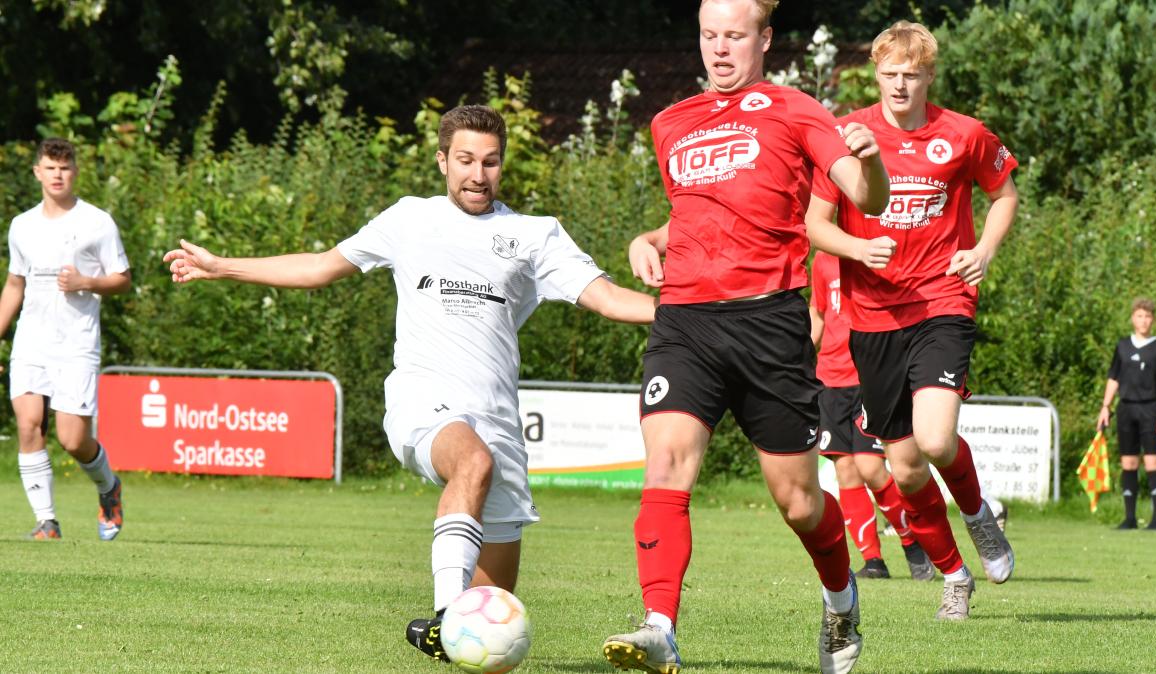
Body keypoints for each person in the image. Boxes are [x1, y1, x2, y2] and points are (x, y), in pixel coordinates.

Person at [163, 105, 657, 663]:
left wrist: (692, 315)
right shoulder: (408, 219)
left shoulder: (533, 235)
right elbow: (321, 268)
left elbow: (609, 298)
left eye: (491, 162)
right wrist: (222, 266)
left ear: (503, 166)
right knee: (470, 470)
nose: (478, 174)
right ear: (443, 160)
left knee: (491, 623)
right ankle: (444, 616)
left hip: (498, 420)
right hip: (423, 400)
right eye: (466, 160)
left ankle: (456, 626)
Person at [603, 1, 891, 672]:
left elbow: (865, 196)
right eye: (709, 35)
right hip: (686, 322)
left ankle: (841, 600)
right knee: (667, 463)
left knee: (797, 499)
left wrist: (871, 164)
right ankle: (659, 626)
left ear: (764, 39)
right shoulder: (669, 123)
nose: (720, 49)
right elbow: (700, 213)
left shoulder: (797, 111)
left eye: (734, 35)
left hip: (770, 324)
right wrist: (647, 238)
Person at [805, 20, 1019, 621]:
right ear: (876, 74)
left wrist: (983, 252)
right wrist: (853, 248)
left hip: (941, 303)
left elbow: (1004, 194)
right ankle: (954, 575)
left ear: (930, 76)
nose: (900, 84)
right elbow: (815, 224)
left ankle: (978, 516)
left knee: (934, 438)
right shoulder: (846, 135)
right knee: (901, 465)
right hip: (872, 320)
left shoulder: (963, 134)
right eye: (889, 73)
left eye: (912, 74)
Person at [0, 138, 131, 541]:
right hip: (31, 343)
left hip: (76, 343)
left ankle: (108, 487)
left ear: (75, 172)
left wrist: (87, 282)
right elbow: (13, 284)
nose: (58, 174)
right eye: (50, 167)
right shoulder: (22, 225)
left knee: (73, 439)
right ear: (37, 171)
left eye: (65, 166)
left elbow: (123, 281)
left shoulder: (97, 222)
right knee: (28, 426)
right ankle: (47, 523)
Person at [809, 250, 934, 582]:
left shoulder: (874, 253)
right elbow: (818, 314)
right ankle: (874, 560)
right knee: (846, 471)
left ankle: (911, 540)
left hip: (870, 377)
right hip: (830, 381)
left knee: (871, 467)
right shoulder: (822, 260)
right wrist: (798, 357)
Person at [1096, 298, 1156, 530]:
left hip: (1151, 409)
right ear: (1133, 318)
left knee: (1152, 461)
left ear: (1153, 320)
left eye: (1148, 316)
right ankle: (1129, 518)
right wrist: (1105, 407)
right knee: (1128, 462)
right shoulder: (1123, 346)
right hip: (1126, 408)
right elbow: (1113, 378)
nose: (1144, 320)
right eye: (1140, 316)